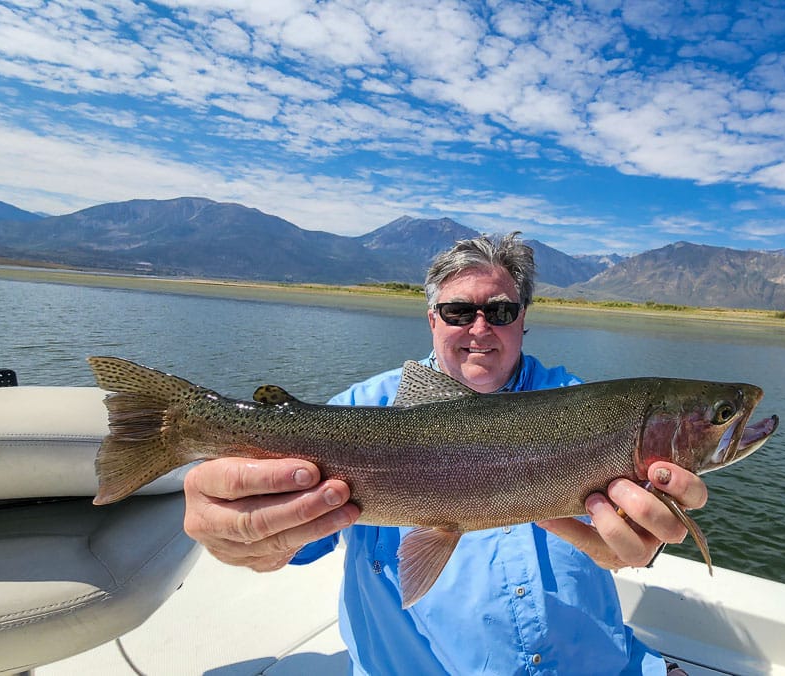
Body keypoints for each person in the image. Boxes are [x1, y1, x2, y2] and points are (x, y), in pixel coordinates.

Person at [181, 233, 709, 674]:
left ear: (523, 318)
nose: (479, 329)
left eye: (500, 311)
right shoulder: (359, 413)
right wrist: (241, 539)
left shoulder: (592, 409)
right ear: (431, 319)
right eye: (459, 311)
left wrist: (645, 539)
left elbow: (638, 528)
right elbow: (279, 548)